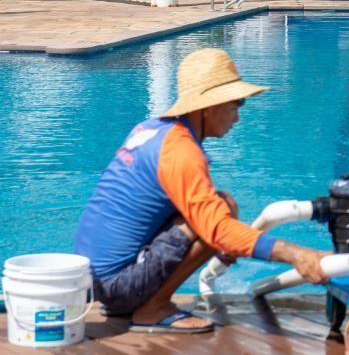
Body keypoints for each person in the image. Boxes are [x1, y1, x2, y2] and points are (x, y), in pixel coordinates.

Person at [74, 48, 330, 334]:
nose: (237, 116)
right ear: (207, 107)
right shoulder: (181, 152)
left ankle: (146, 301)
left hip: (94, 279)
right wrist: (296, 254)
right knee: (215, 223)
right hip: (118, 288)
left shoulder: (152, 129)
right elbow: (217, 230)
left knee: (222, 204)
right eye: (236, 104)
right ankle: (153, 308)